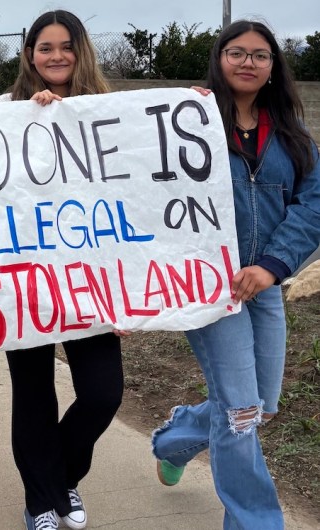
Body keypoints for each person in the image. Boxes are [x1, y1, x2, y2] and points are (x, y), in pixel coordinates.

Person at [152, 20, 320, 530]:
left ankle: (176, 438)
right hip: (205, 289)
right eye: (237, 52)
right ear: (219, 59)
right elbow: (142, 196)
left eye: (260, 55)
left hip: (262, 286)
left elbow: (312, 205)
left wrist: (271, 267)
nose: (248, 62)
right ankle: (255, 522)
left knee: (260, 406)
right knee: (242, 412)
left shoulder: (292, 134)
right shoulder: (186, 122)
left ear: (274, 67)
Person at [0, 11, 122, 530]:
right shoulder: (5, 108)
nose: (56, 56)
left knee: (101, 393)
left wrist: (196, 107)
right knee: (34, 393)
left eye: (66, 46)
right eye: (44, 48)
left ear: (81, 49)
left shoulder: (110, 110)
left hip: (89, 281)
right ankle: (40, 499)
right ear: (29, 55)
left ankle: (61, 477)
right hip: (25, 277)